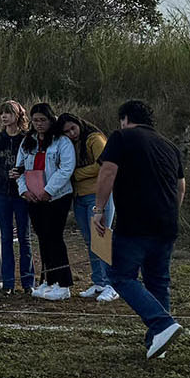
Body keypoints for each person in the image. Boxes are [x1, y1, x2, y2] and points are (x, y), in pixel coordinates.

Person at [95, 100, 186, 358]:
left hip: (135, 223)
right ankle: (158, 342)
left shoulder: (121, 137)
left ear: (124, 119)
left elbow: (108, 172)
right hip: (167, 223)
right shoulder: (169, 145)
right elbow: (180, 186)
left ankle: (162, 324)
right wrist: (170, 212)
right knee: (158, 281)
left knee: (120, 276)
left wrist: (98, 210)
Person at [15, 102, 75, 299]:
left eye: (43, 120)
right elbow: (19, 170)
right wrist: (24, 191)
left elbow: (66, 168)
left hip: (57, 197)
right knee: (42, 238)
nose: (39, 124)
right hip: (34, 197)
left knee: (54, 237)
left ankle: (64, 283)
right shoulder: (27, 142)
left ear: (51, 120)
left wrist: (49, 190)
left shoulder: (62, 142)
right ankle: (48, 280)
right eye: (35, 120)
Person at [60, 113, 115, 301]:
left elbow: (103, 165)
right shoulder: (71, 144)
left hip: (98, 195)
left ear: (79, 124)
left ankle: (111, 284)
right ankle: (99, 281)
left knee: (101, 238)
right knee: (89, 240)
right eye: (66, 131)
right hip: (80, 197)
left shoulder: (94, 139)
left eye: (72, 128)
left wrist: (75, 174)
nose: (71, 133)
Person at [0, 100, 35, 292]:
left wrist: (20, 172)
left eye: (8, 113)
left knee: (25, 238)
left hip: (22, 193)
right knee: (6, 238)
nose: (4, 116)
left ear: (18, 115)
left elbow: (32, 161)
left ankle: (28, 282)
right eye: (2, 113)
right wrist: (5, 173)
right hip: (1, 193)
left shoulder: (26, 138)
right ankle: (8, 283)